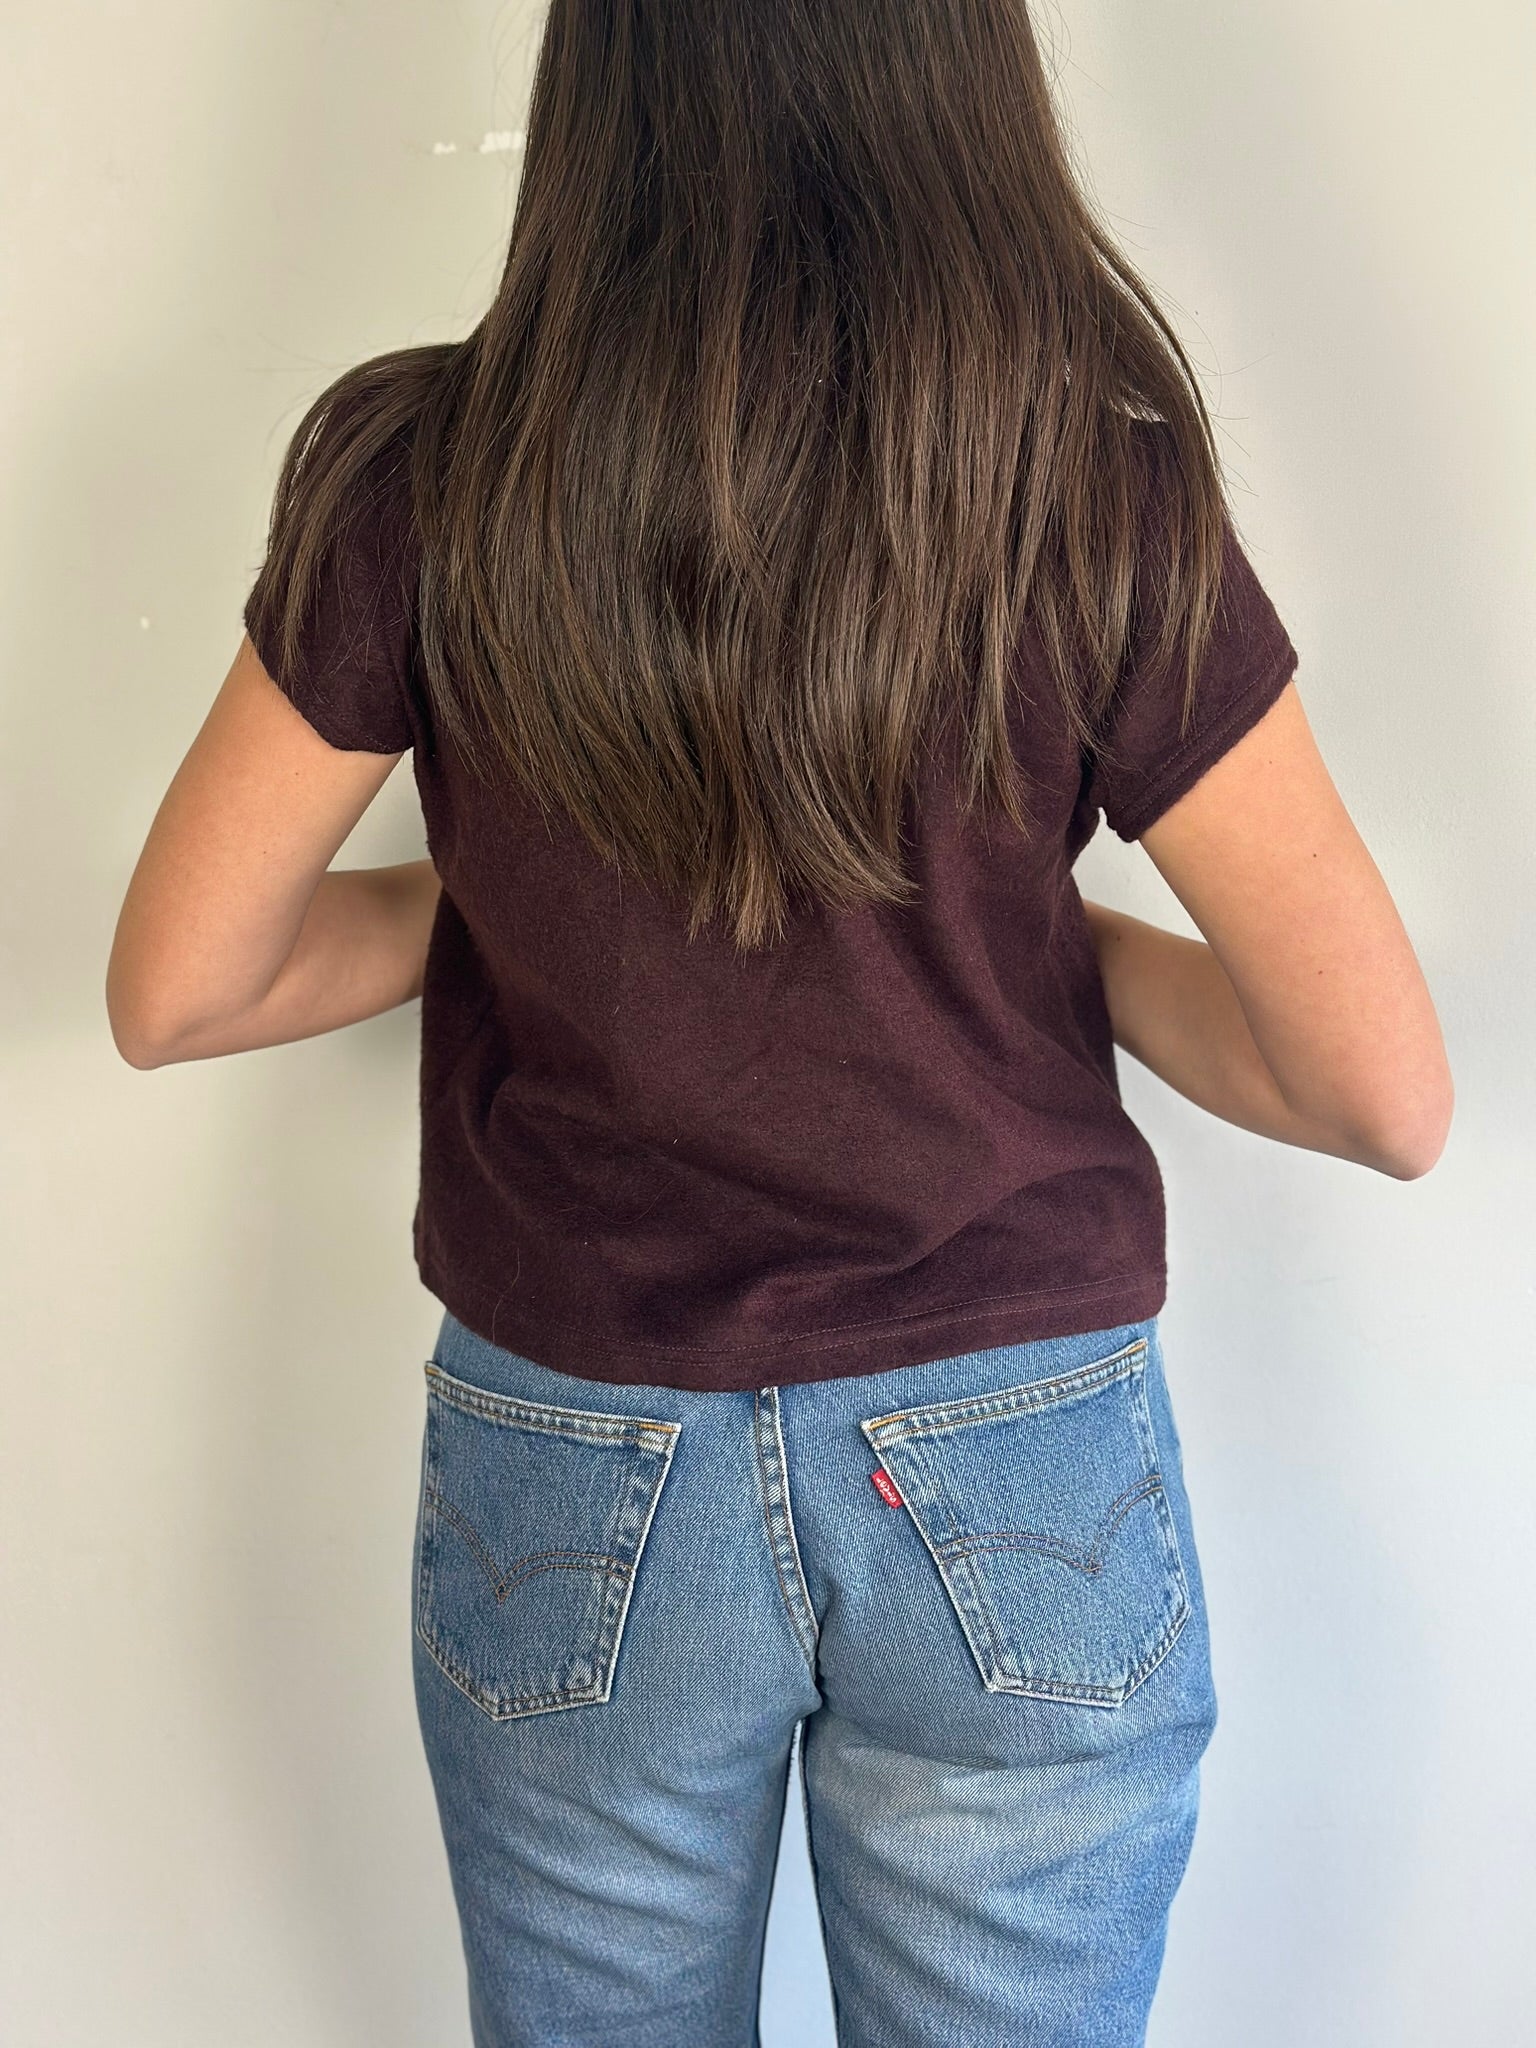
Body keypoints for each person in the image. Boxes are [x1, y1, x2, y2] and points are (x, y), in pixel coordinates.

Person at [105, 3, 1453, 2043]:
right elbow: (1380, 1090)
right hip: (1015, 1448)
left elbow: (184, 983)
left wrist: (534, 887)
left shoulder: (430, 474)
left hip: (582, 1443)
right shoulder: (1086, 481)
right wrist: (1036, 941)